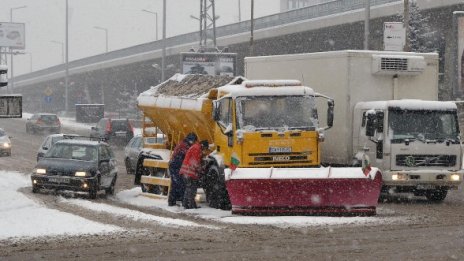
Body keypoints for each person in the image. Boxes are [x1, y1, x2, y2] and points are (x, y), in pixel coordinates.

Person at [167, 132, 198, 206]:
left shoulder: (184, 144)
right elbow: (185, 157)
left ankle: (172, 201)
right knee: (179, 184)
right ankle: (180, 201)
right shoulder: (184, 146)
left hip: (175, 166)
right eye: (193, 141)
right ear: (190, 140)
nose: (193, 143)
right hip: (175, 166)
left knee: (176, 184)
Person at [180, 140, 209, 209]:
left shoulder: (195, 147)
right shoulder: (197, 149)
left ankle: (185, 204)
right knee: (192, 189)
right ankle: (191, 206)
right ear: (202, 146)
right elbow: (195, 162)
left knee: (188, 189)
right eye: (205, 149)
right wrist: (201, 170)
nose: (204, 151)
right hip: (189, 172)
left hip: (186, 172)